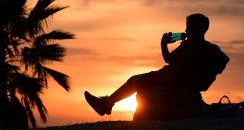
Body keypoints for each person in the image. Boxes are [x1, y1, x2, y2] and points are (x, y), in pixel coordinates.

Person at [84, 13, 229, 121]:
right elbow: (171, 60)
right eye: (187, 26)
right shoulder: (197, 46)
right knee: (135, 80)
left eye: (190, 26)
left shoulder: (193, 45)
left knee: (135, 80)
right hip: (171, 77)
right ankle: (107, 103)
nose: (187, 29)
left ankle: (106, 104)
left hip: (170, 78)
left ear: (201, 28)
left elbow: (169, 60)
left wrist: (164, 44)